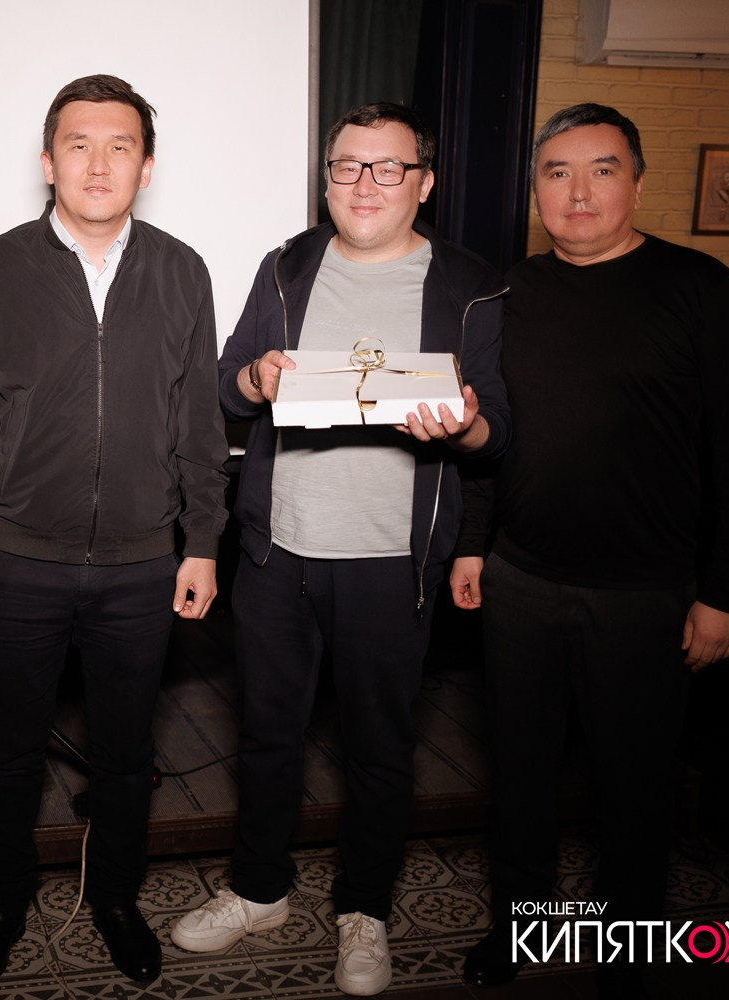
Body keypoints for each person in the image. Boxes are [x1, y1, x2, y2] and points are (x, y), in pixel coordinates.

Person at [172, 102, 510, 997]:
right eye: (347, 166)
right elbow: (226, 388)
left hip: (393, 562)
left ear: (423, 183)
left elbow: (498, 434)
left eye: (387, 167)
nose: (365, 184)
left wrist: (466, 426)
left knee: (379, 747)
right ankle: (258, 890)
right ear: (326, 178)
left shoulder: (471, 287)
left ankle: (365, 908)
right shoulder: (286, 267)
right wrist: (255, 377)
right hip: (278, 551)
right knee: (266, 735)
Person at [450, 103, 729, 996]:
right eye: (557, 173)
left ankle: (629, 944)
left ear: (636, 182)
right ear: (536, 191)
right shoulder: (512, 293)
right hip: (521, 584)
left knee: (635, 791)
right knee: (519, 781)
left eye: (601, 170)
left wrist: (728, 592)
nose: (579, 192)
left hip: (646, 594)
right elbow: (491, 433)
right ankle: (520, 931)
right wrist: (473, 548)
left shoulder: (697, 286)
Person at [0, 74, 228, 990]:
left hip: (144, 566)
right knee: (9, 753)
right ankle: (1, 905)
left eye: (120, 146)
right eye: (79, 144)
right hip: (16, 560)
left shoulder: (182, 270)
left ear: (147, 165)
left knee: (128, 756)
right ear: (48, 159)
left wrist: (203, 541)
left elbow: (199, 422)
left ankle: (116, 900)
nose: (99, 164)